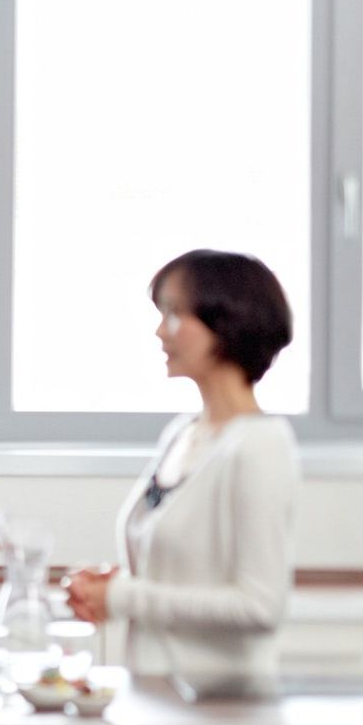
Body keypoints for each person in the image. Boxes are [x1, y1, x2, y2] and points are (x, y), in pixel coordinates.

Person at [66, 250, 296, 684]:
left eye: (173, 313)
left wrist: (123, 597)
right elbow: (169, 573)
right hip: (156, 697)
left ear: (225, 324)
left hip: (218, 713)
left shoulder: (259, 446)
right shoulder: (182, 434)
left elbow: (261, 606)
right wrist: (108, 590)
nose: (159, 331)